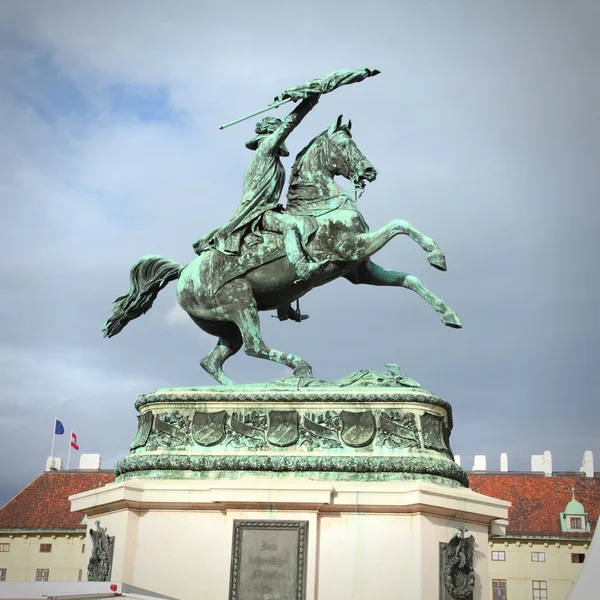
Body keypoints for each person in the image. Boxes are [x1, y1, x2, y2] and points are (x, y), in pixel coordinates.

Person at [193, 94, 321, 282]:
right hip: (256, 211)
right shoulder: (265, 151)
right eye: (278, 134)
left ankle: (285, 306)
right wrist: (310, 102)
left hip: (265, 208)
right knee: (290, 228)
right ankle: (302, 268)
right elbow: (289, 125)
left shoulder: (273, 160)